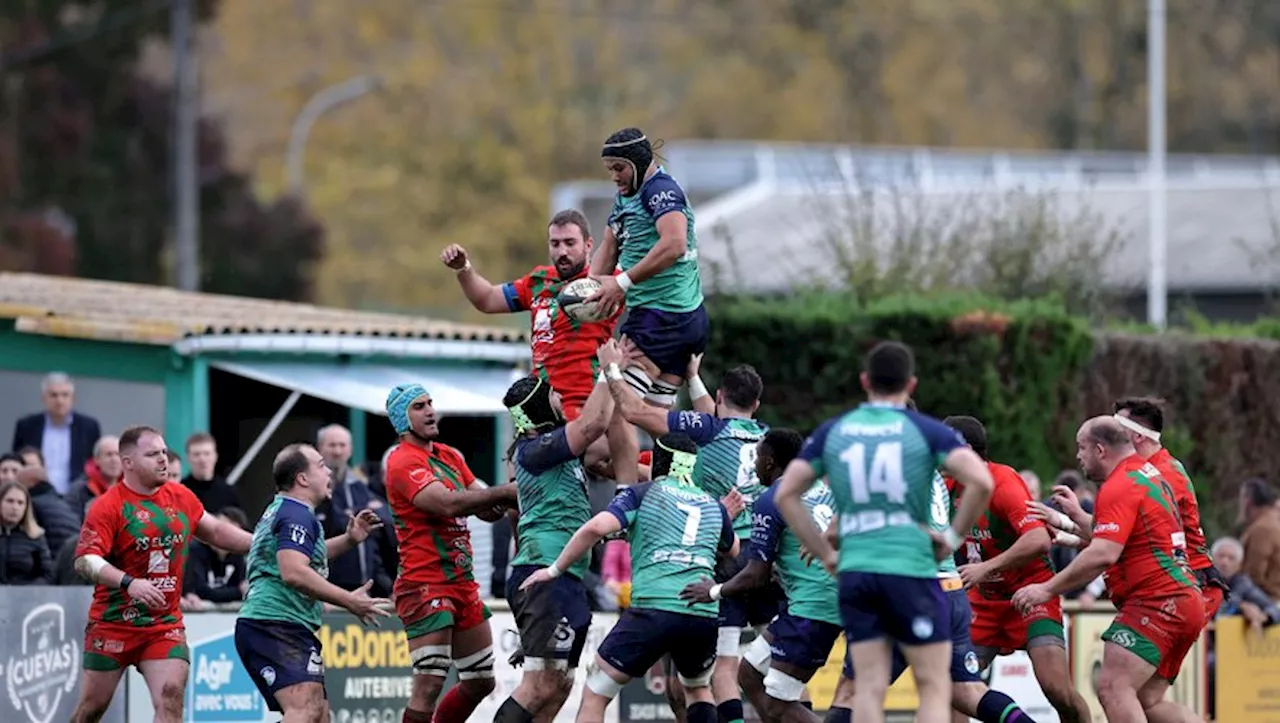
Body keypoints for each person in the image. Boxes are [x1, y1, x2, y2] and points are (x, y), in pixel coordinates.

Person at [771, 341, 995, 723]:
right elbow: (981, 481)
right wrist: (953, 538)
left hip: (858, 574)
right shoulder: (923, 431)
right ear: (911, 384)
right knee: (933, 686)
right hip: (912, 572)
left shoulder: (836, 431)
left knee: (866, 687)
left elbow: (787, 494)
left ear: (864, 381)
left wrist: (825, 553)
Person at [827, 403, 1036, 723]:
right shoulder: (935, 472)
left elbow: (838, 532)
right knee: (967, 692)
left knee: (852, 692)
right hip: (949, 592)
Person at [520, 433, 737, 723]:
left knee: (597, 690)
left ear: (659, 461)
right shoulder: (713, 505)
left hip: (654, 608)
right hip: (702, 612)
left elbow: (595, 528)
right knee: (697, 690)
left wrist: (553, 570)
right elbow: (732, 549)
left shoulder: (642, 493)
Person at [602, 345, 761, 723]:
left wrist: (610, 371)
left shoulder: (707, 432)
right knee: (776, 671)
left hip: (719, 559)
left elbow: (636, 412)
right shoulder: (766, 438)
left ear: (721, 397)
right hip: (765, 558)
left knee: (716, 673)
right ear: (757, 403)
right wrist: (692, 376)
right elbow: (714, 415)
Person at [1012, 417, 1205, 723]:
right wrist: (1068, 519)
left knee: (1114, 688)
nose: (1077, 456)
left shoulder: (1119, 485)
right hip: (1185, 599)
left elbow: (1104, 553)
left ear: (1100, 450)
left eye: (1081, 447)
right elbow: (1121, 536)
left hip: (1157, 601)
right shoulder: (1147, 475)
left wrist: (1046, 589)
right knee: (1147, 702)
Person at [69, 425, 254, 723]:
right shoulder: (109, 505)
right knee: (92, 708)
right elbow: (85, 560)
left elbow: (216, 531)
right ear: (127, 462)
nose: (163, 460)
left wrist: (262, 544)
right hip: (113, 623)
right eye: (153, 454)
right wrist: (129, 583)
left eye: (164, 452)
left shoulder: (181, 496)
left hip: (162, 624)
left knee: (170, 697)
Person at [441, 209, 627, 478]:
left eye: (570, 243)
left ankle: (645, 481)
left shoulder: (605, 282)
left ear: (588, 245)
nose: (562, 251)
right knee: (516, 494)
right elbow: (488, 299)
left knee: (590, 459)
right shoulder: (539, 281)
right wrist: (463, 269)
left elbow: (645, 293)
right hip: (536, 407)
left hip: (582, 403)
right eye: (555, 244)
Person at [494, 343, 617, 723]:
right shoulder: (534, 449)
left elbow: (600, 427)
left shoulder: (551, 450)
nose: (561, 397)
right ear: (537, 411)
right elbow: (593, 425)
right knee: (541, 686)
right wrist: (607, 371)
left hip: (563, 577)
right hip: (545, 574)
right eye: (552, 395)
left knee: (560, 683)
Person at [383, 383, 519, 723]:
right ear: (402, 419)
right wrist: (504, 492)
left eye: (431, 403)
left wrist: (511, 490)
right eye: (419, 406)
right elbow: (447, 503)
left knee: (481, 681)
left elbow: (486, 508)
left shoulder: (450, 455)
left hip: (461, 582)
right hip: (425, 582)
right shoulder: (402, 461)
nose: (430, 411)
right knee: (429, 685)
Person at [943, 416, 1090, 723]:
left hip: (1031, 592)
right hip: (984, 600)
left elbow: (1038, 540)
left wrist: (985, 568)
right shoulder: (946, 486)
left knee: (1056, 690)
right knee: (954, 686)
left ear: (965, 449)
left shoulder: (1003, 482)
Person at [680, 428, 830, 723]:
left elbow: (756, 575)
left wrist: (713, 591)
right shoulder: (823, 489)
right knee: (747, 675)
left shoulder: (772, 498)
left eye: (758, 457)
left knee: (779, 704)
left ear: (771, 462)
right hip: (821, 600)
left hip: (812, 609)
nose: (753, 465)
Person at [235, 443, 390, 722]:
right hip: (273, 623)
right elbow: (294, 571)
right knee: (305, 710)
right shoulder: (297, 514)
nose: (328, 470)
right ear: (302, 479)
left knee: (319, 714)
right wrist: (349, 600)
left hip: (283, 624)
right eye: (320, 465)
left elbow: (300, 557)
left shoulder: (286, 510)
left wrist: (349, 540)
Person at [588, 128, 709, 482]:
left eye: (619, 168)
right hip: (672, 320)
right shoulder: (626, 196)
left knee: (616, 411)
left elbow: (673, 244)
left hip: (662, 319)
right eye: (610, 169)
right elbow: (607, 252)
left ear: (638, 163)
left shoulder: (662, 191)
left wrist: (621, 283)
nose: (614, 176)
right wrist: (585, 292)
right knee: (661, 427)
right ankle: (694, 491)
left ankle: (624, 502)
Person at [1113, 397, 1228, 620]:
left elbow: (1117, 538)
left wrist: (1065, 526)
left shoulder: (1162, 475)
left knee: (1122, 650)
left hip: (1186, 586)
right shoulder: (1149, 470)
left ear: (1138, 436)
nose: (1109, 434)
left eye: (1117, 429)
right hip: (1175, 585)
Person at [315, 424, 395, 598]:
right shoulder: (312, 488)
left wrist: (388, 586)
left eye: (342, 445)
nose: (337, 451)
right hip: (323, 590)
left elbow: (384, 524)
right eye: (332, 445)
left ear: (350, 450)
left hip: (364, 586)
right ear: (319, 449)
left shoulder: (360, 488)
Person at [11, 372, 102, 495]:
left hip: (76, 495)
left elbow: (94, 464)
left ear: (73, 398)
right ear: (43, 398)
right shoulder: (27, 426)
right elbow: (17, 462)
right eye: (53, 395)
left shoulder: (88, 427)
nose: (59, 400)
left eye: (65, 395)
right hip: (35, 494)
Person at [182, 508, 251, 609]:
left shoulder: (238, 555)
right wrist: (238, 592)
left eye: (230, 532)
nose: (223, 536)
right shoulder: (194, 551)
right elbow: (201, 591)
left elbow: (245, 587)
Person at [0, 480, 54, 584]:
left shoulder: (36, 536)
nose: (15, 507)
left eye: (20, 503)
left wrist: (26, 591)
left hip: (27, 597)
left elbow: (47, 575)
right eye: (10, 501)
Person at [1238, 477, 1280, 600]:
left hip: (1268, 600)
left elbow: (1254, 572)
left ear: (1247, 501)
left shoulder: (1263, 529)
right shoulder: (1272, 521)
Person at [181, 432, 241, 513]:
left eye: (207, 454)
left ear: (215, 456)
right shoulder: (179, 492)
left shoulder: (228, 492)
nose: (202, 459)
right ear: (188, 458)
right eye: (196, 454)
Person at [67, 435, 122, 522]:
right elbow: (71, 526)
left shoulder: (134, 487)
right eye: (109, 454)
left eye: (118, 455)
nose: (114, 460)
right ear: (96, 459)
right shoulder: (79, 490)